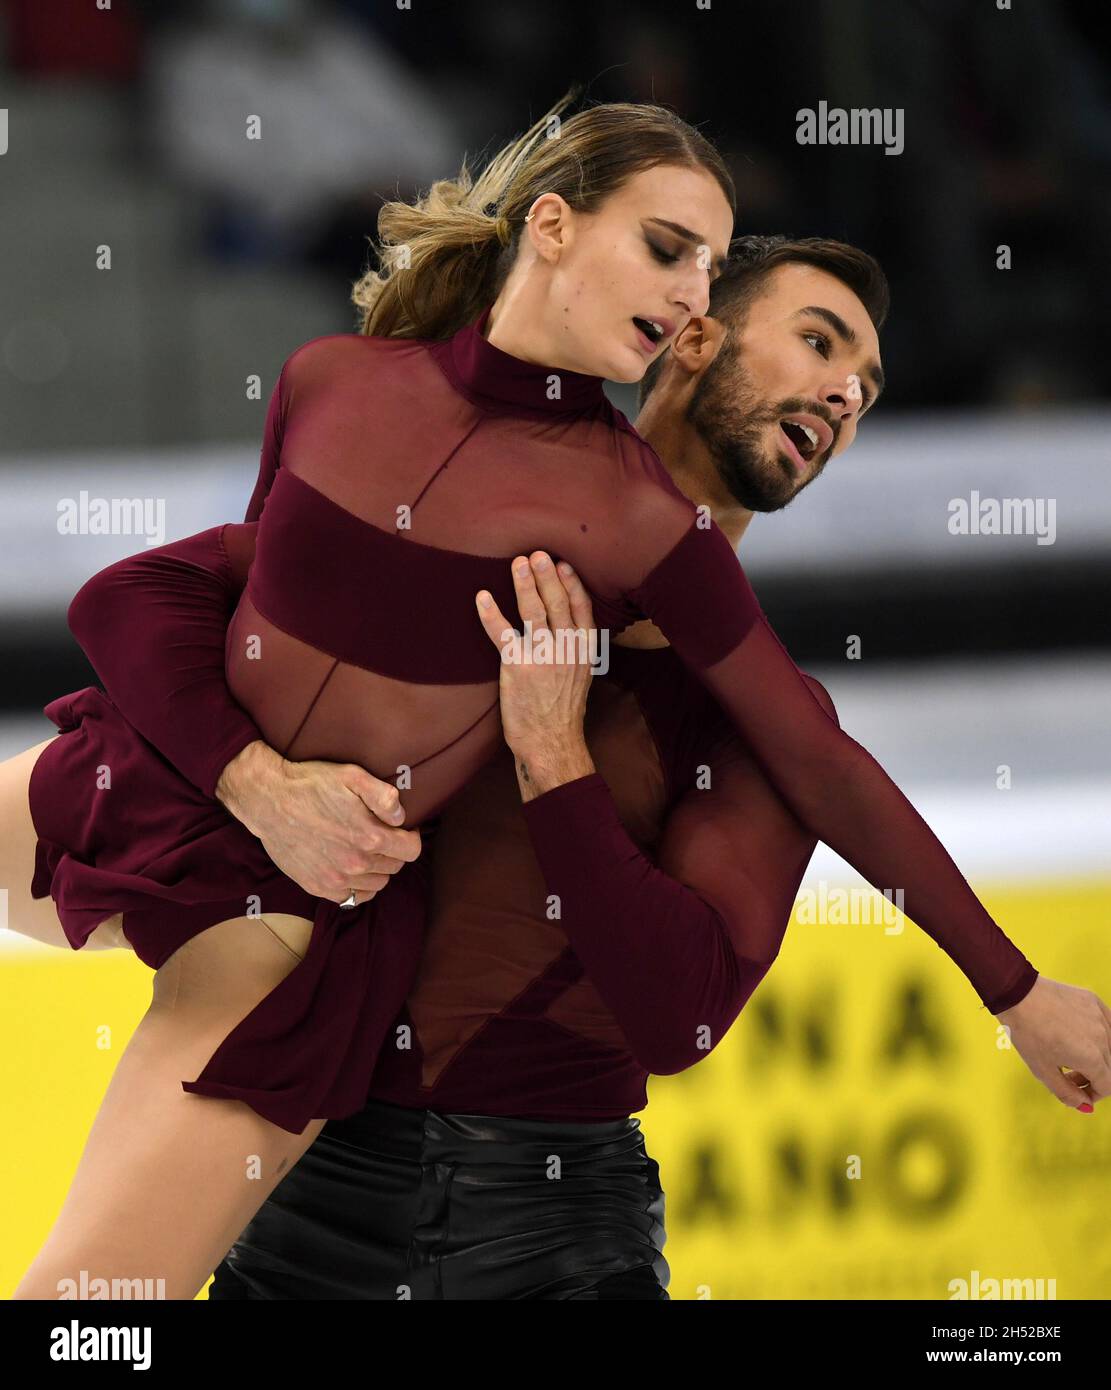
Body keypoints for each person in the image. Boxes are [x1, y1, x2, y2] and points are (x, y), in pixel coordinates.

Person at [20, 234, 1110, 1299]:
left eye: (866, 391)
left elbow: (677, 1015)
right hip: (306, 1198)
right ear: (689, 337)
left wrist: (554, 756)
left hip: (547, 1240)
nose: (845, 398)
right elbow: (138, 594)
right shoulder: (455, 535)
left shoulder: (757, 720)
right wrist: (253, 776)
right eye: (820, 344)